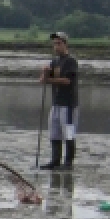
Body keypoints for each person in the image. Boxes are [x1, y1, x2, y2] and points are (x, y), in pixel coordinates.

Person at [39, 31, 79, 170]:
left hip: (68, 104)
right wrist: (44, 72)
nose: (56, 46)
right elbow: (43, 81)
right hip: (56, 102)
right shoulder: (54, 61)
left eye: (59, 43)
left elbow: (67, 81)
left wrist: (49, 79)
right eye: (54, 44)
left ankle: (68, 162)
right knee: (54, 132)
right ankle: (55, 160)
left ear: (65, 44)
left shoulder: (70, 61)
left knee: (68, 133)